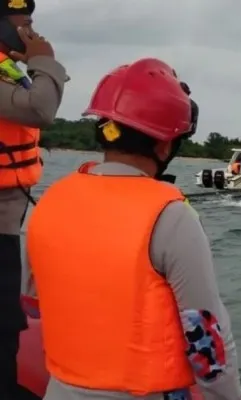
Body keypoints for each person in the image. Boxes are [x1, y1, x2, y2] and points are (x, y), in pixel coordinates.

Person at [23, 59, 241, 400]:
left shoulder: (49, 201)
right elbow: (208, 341)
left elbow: (32, 299)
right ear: (165, 145)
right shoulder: (172, 217)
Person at [0, 0, 66, 397]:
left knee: (7, 323)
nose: (28, 24)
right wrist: (45, 62)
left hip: (8, 220)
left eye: (31, 18)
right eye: (18, 18)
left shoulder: (7, 68)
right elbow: (40, 108)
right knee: (4, 327)